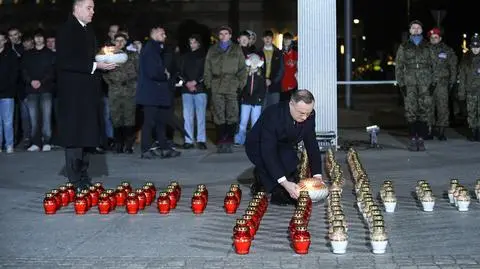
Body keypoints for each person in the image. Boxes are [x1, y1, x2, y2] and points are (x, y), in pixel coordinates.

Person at [56, 0, 116, 192]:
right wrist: (95, 66)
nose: (93, 12)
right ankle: (75, 180)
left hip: (88, 93)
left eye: (93, 8)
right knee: (75, 135)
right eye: (89, 8)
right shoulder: (67, 30)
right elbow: (65, 61)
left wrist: (104, 59)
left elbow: (89, 57)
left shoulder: (88, 30)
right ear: (77, 8)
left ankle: (83, 176)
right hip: (73, 94)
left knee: (87, 135)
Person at [245, 89, 323, 205]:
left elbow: (311, 144)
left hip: (283, 143)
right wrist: (284, 183)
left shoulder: (309, 114)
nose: (305, 117)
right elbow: (268, 152)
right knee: (279, 189)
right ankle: (261, 180)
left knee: (290, 165)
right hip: (258, 146)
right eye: (301, 113)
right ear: (291, 104)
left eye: (308, 113)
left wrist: (317, 176)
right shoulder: (273, 114)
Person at [136, 26, 180, 159]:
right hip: (151, 93)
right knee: (149, 122)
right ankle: (146, 149)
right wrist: (165, 74)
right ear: (154, 34)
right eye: (162, 34)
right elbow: (152, 72)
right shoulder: (150, 50)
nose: (164, 36)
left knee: (161, 121)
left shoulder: (155, 49)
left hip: (157, 93)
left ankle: (164, 147)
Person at [395, 20, 435, 151]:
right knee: (411, 111)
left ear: (422, 30)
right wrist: (402, 84)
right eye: (413, 28)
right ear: (410, 30)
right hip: (410, 83)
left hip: (425, 83)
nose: (416, 30)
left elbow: (435, 66)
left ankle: (421, 139)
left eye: (418, 28)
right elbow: (399, 67)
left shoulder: (428, 46)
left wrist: (433, 84)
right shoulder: (404, 47)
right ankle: (413, 138)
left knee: (424, 111)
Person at [458, 34, 480, 141]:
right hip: (470, 91)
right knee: (471, 112)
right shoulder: (466, 60)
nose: (475, 49)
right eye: (474, 47)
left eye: (478, 47)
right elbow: (462, 77)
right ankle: (473, 131)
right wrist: (461, 92)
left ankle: (479, 132)